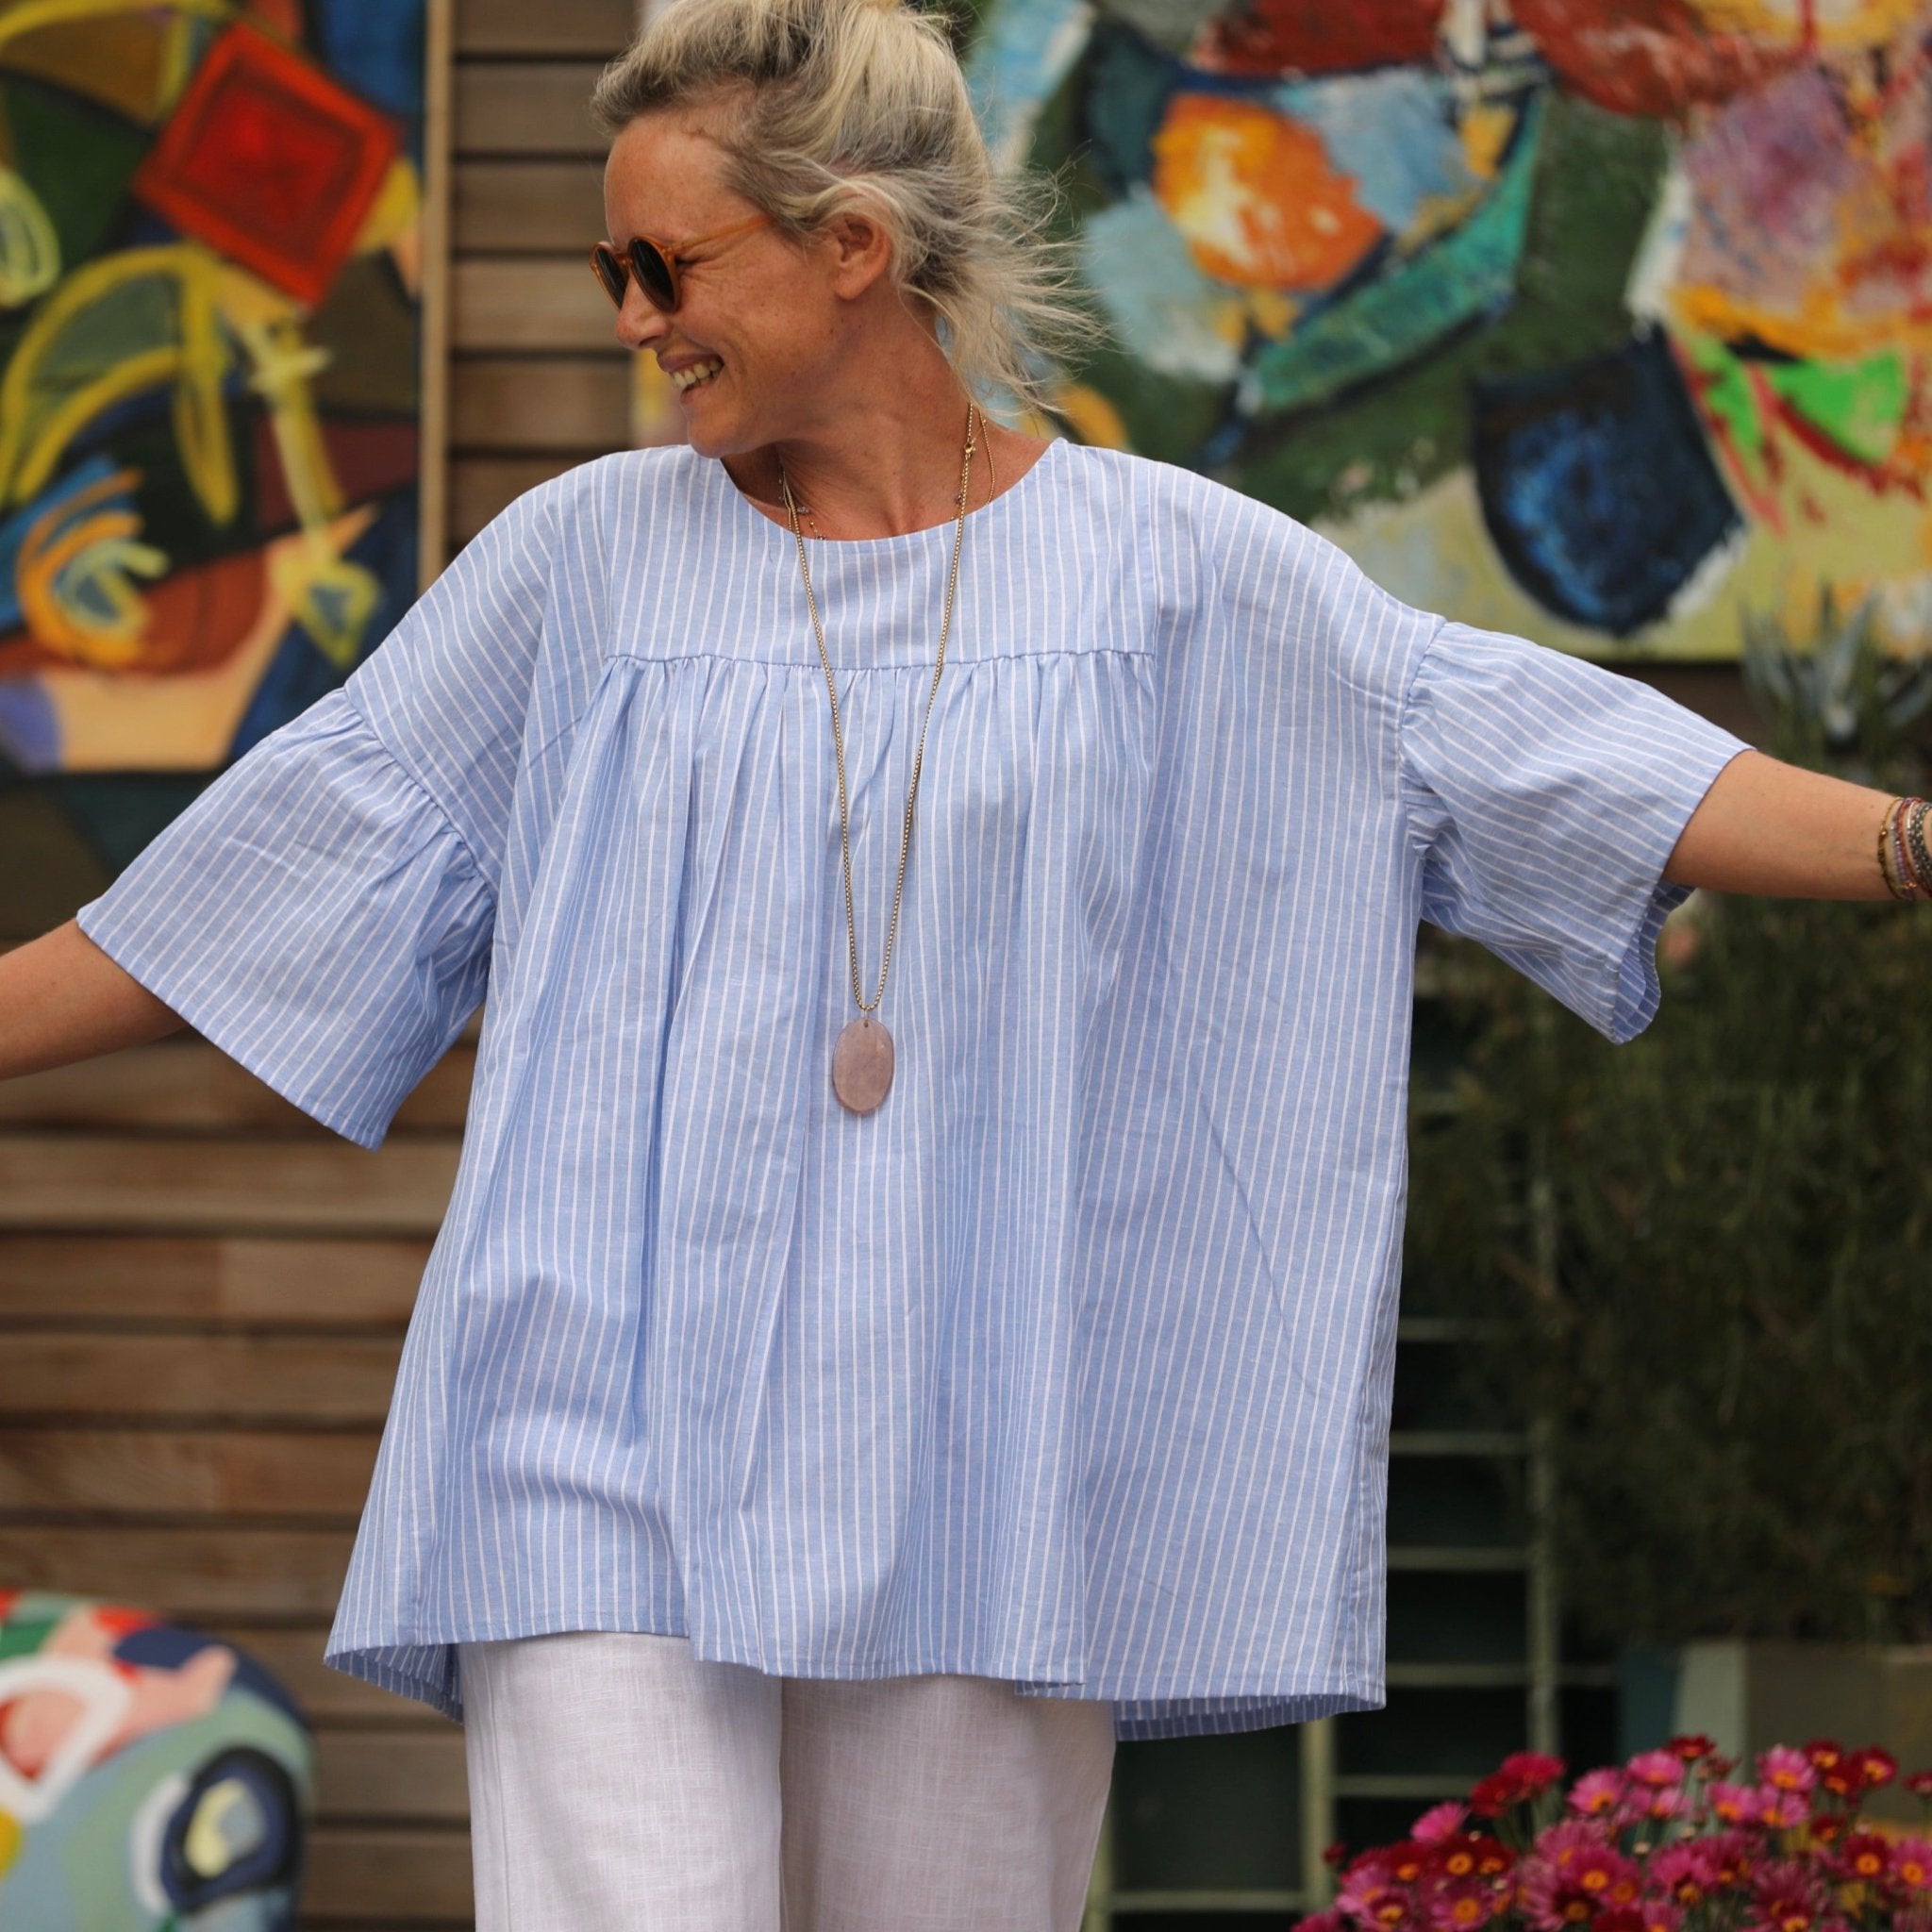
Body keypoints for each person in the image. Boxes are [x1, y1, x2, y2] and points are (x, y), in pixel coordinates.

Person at [0, 0, 1924, 1924]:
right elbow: (276, 874)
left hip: (987, 1452)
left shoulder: (1174, 576)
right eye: (610, 271)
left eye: (666, 266)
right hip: (591, 1434)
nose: (634, 318)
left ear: (852, 244)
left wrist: (1908, 843)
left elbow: (1529, 752)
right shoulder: (579, 567)